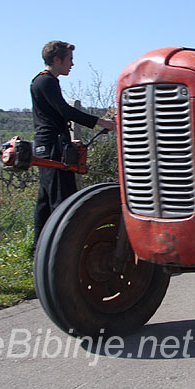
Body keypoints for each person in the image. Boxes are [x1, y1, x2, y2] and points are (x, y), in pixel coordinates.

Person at [30, 41, 115, 250]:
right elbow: (64, 111)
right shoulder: (47, 81)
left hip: (48, 144)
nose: (72, 64)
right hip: (52, 147)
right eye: (69, 59)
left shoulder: (40, 81)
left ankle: (39, 248)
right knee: (62, 199)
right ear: (57, 59)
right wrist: (100, 122)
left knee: (45, 199)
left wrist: (68, 140)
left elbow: (53, 116)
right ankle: (64, 250)